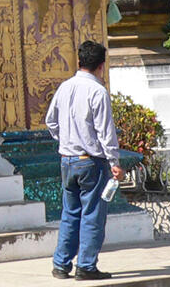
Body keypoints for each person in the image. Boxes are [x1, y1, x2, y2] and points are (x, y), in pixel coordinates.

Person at [44, 40, 124, 280]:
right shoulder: (98, 91)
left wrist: (65, 140)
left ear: (79, 62)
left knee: (70, 213)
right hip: (91, 161)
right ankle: (86, 266)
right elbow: (105, 132)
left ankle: (61, 264)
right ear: (101, 66)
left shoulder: (65, 87)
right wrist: (114, 162)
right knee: (92, 214)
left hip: (67, 159)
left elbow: (50, 121)